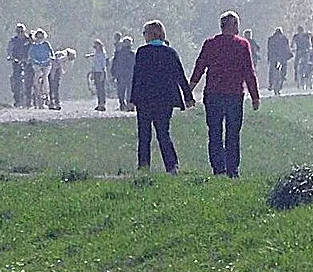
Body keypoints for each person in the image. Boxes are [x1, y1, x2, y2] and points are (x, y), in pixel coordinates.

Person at [189, 11, 261, 177]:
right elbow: (248, 72)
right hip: (234, 95)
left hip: (213, 94)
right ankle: (232, 169)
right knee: (232, 134)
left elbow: (199, 68)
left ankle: (218, 168)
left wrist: (189, 90)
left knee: (214, 133)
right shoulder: (242, 45)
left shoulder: (210, 44)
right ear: (234, 25)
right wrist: (255, 96)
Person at [128, 20, 192, 172]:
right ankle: (172, 166)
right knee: (163, 133)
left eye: (145, 33)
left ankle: (144, 166)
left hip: (145, 99)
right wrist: (188, 97)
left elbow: (137, 77)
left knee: (144, 135)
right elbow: (180, 76)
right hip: (165, 100)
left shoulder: (142, 52)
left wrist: (132, 99)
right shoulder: (170, 52)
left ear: (151, 34)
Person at [27, 29, 55, 107]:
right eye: (38, 37)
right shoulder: (33, 46)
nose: (39, 39)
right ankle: (37, 90)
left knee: (45, 76)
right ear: (35, 37)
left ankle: (46, 93)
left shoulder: (46, 44)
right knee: (37, 75)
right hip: (37, 63)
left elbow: (51, 52)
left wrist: (52, 57)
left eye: (41, 37)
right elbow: (31, 54)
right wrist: (31, 59)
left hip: (46, 63)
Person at [7, 25, 32, 108]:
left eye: (22, 31)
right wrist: (10, 57)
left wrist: (29, 58)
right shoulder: (13, 40)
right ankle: (17, 100)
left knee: (29, 80)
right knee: (16, 80)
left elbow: (32, 49)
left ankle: (29, 100)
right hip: (16, 61)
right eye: (18, 31)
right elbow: (10, 50)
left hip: (27, 62)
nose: (20, 33)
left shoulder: (28, 40)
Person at [111, 34, 136, 107]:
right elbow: (115, 63)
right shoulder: (119, 53)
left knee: (127, 90)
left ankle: (127, 103)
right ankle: (123, 103)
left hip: (128, 74)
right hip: (123, 74)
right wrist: (114, 72)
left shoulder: (132, 54)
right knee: (122, 89)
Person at [267, 27, 291, 95]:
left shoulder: (271, 39)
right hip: (282, 58)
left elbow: (269, 49)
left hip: (274, 58)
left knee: (272, 71)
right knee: (283, 71)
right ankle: (280, 81)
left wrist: (269, 58)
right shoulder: (284, 38)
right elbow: (287, 48)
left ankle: (271, 84)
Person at [89, 39, 109, 110]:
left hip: (101, 72)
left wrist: (103, 74)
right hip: (96, 72)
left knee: (101, 89)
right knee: (98, 88)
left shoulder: (102, 54)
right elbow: (94, 64)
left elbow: (103, 64)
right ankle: (99, 103)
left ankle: (102, 104)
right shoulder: (96, 54)